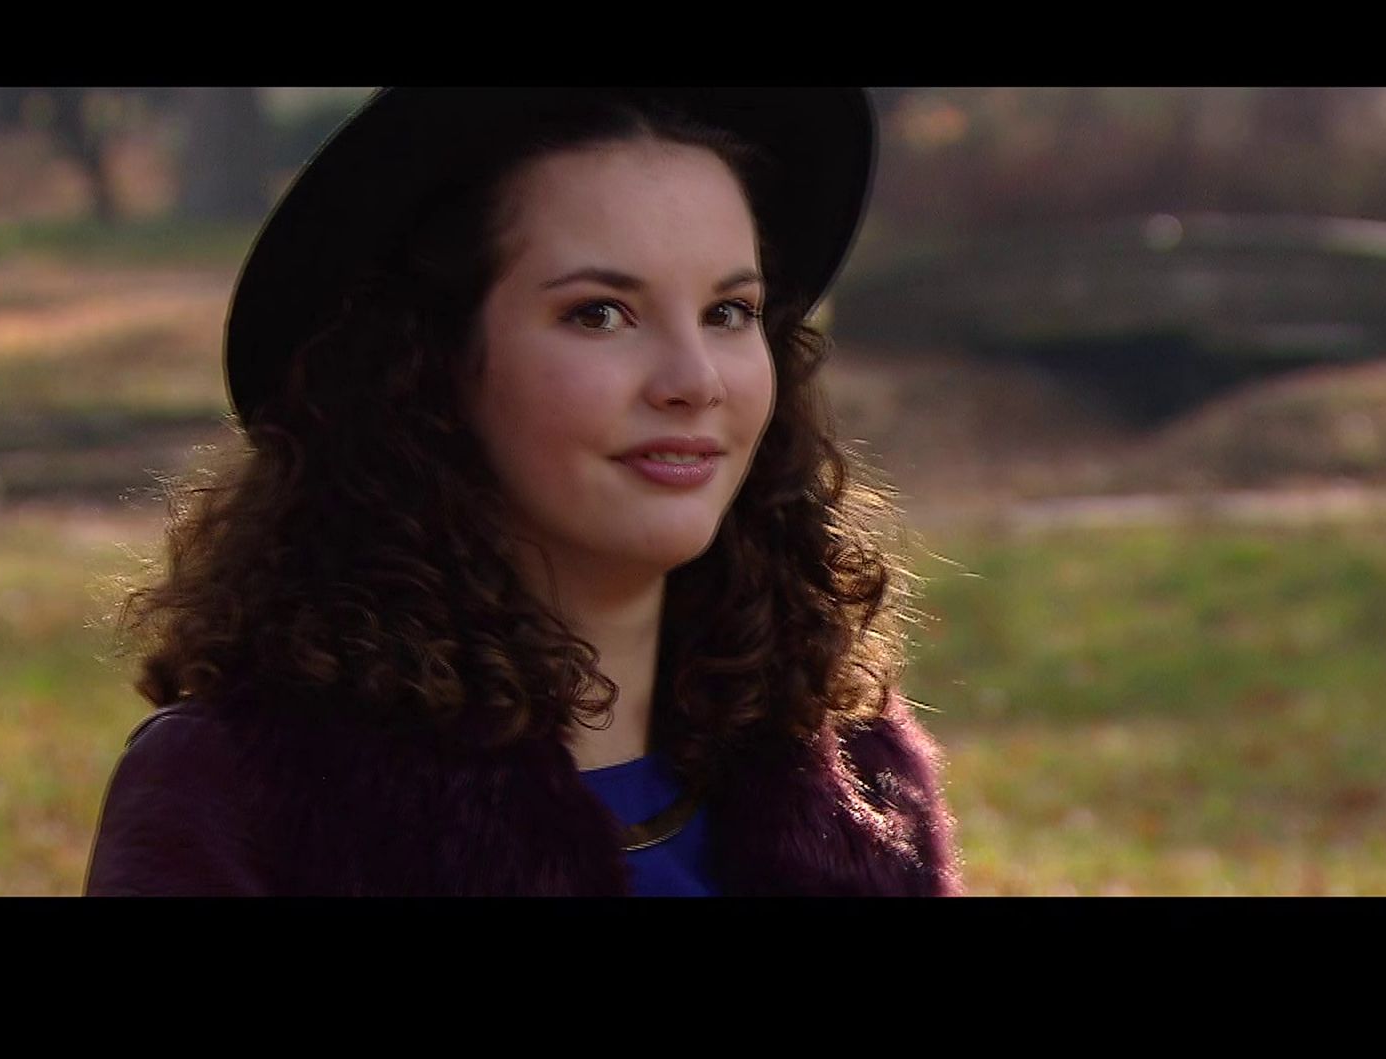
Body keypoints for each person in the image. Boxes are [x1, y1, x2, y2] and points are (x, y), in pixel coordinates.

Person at [84, 87, 961, 896]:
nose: (695, 381)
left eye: (728, 313)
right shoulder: (240, 790)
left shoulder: (857, 775)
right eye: (599, 313)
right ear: (427, 367)